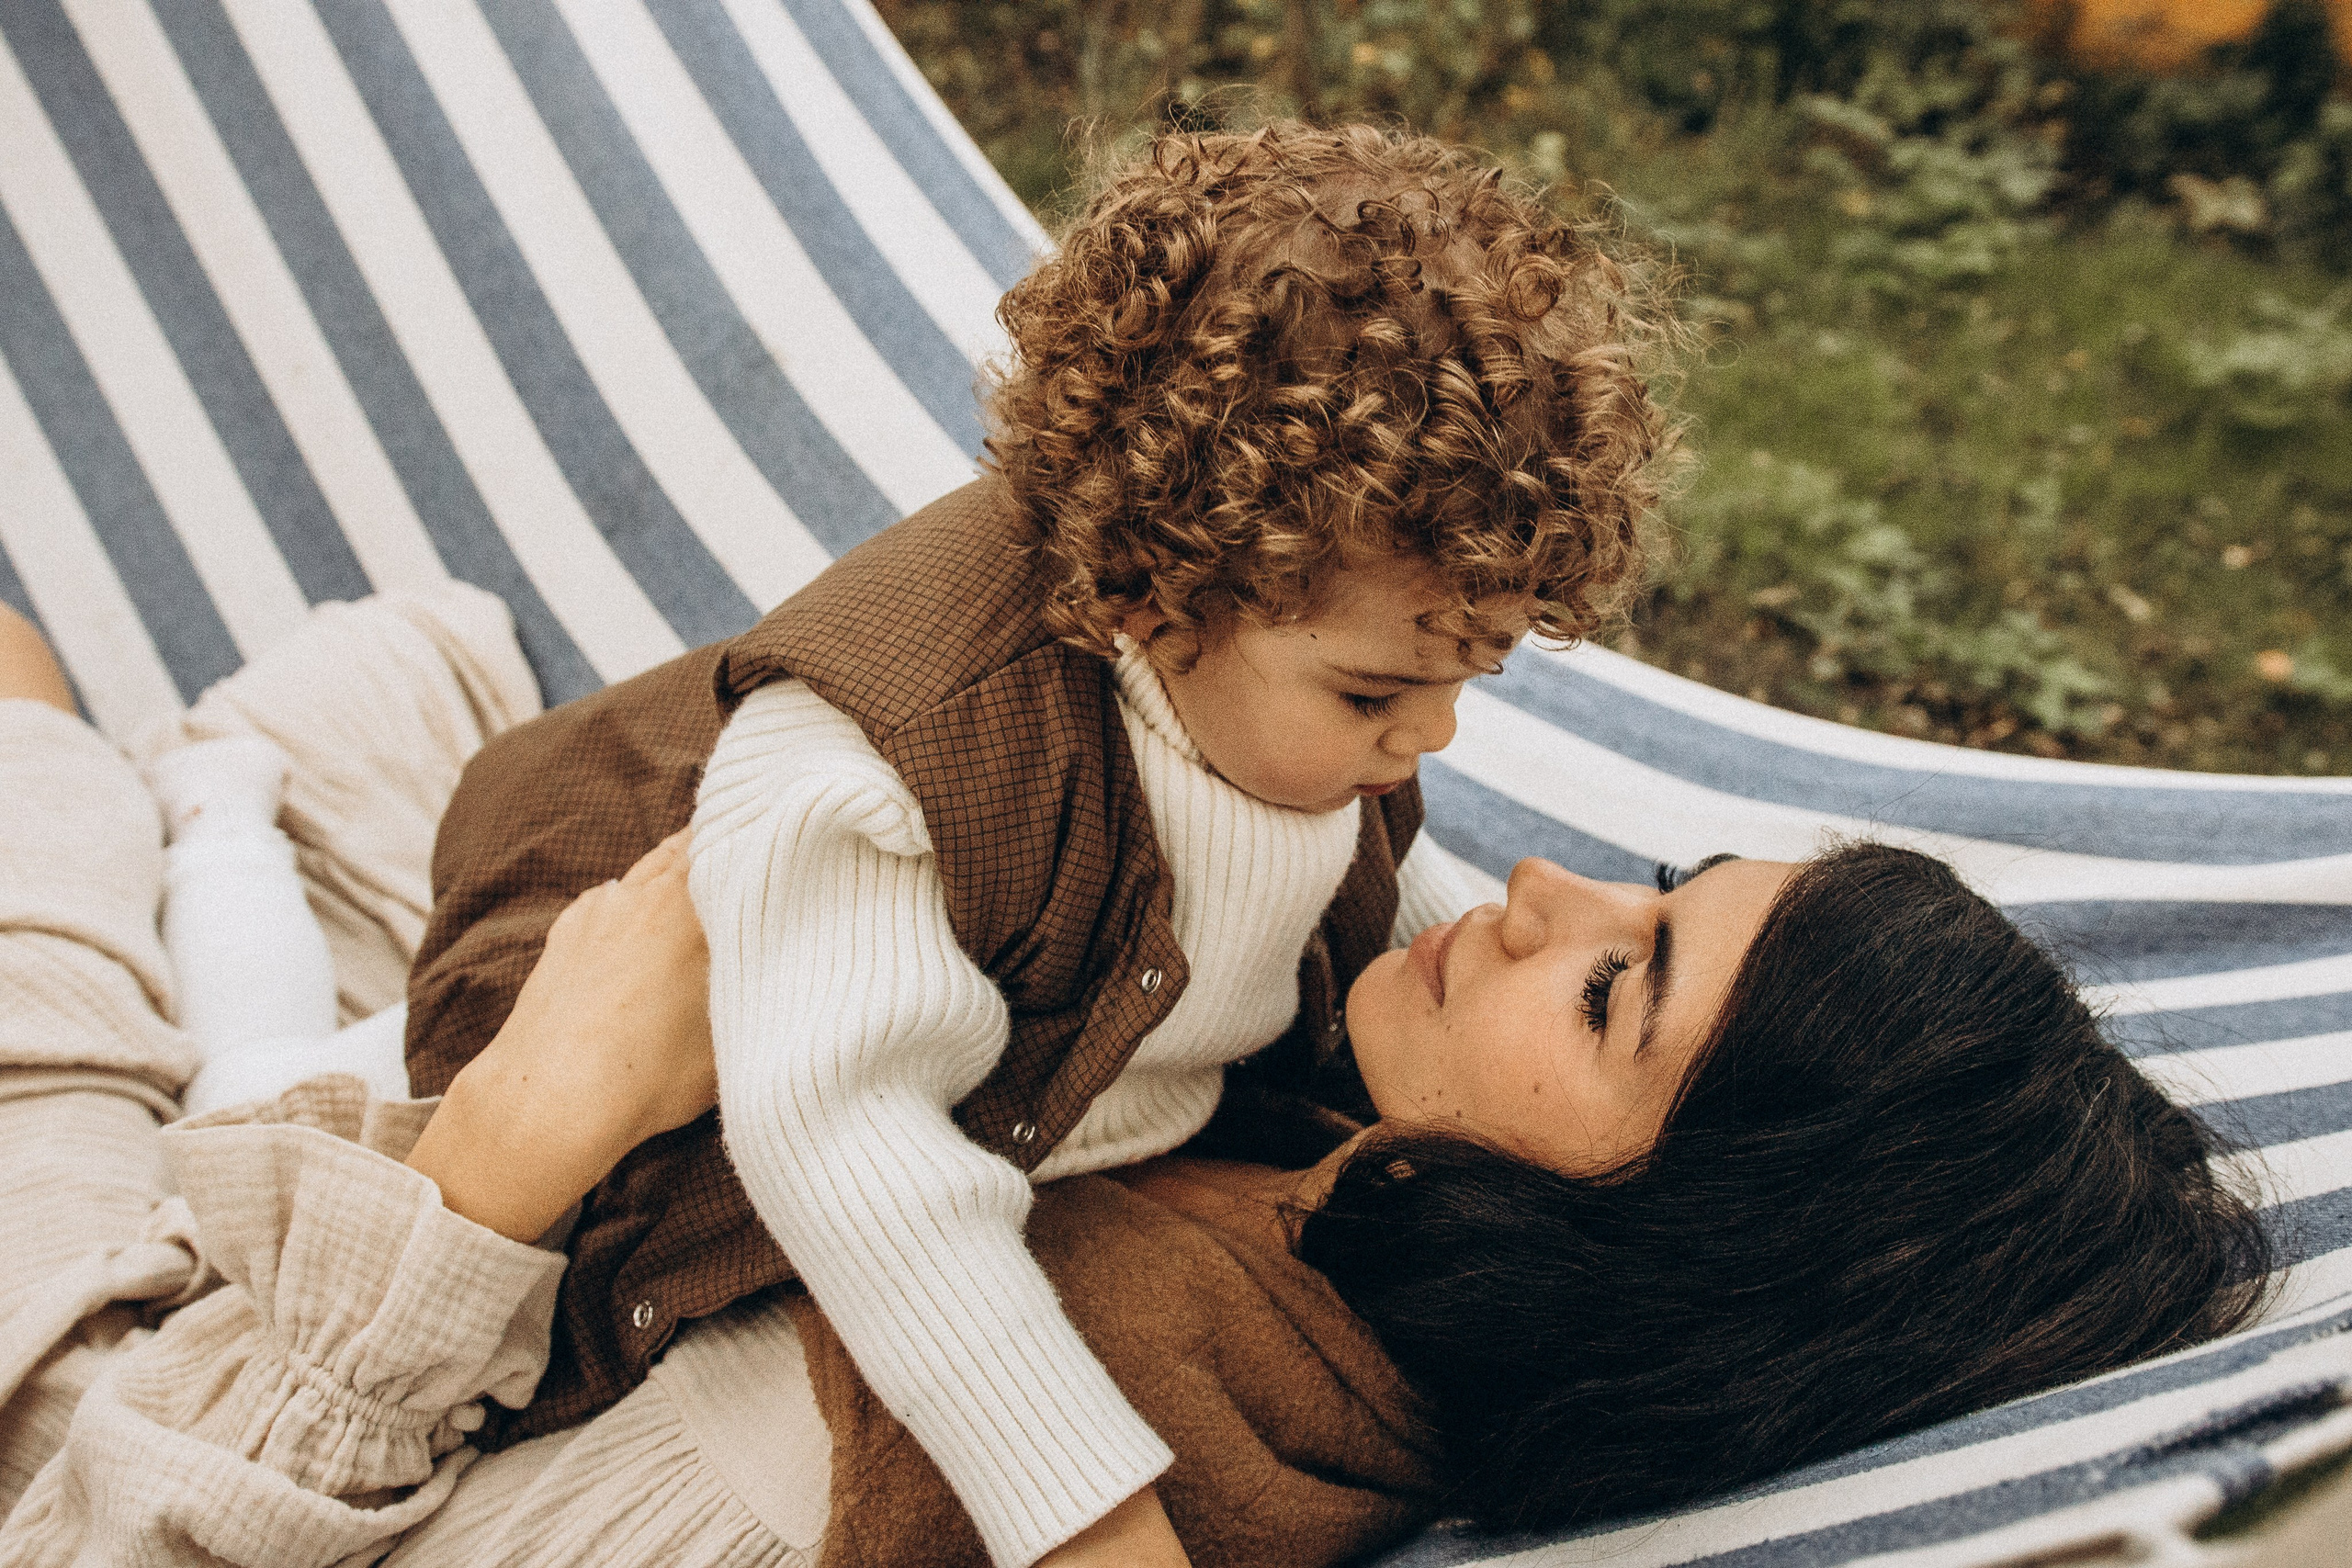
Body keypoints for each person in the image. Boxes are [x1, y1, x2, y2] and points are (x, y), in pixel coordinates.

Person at [0, 601, 2265, 1564]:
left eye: (1614, 993)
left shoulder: (976, 1448)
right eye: (1649, 884)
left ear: (1657, 1246)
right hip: (405, 1166)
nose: (1542, 881)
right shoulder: (1331, 1189)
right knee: (406, 661)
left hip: (133, 1379)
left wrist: (524, 1136)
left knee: (30, 731)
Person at [400, 118, 1676, 1567]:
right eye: (1382, 693)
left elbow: (1363, 909)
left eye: (1465, 683)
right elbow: (852, 1153)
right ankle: (226, 848)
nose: (1432, 737)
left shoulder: (1299, 696)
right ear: (1149, 590)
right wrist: (1081, 1513)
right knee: (272, 1106)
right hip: (608, 1067)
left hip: (997, 1078)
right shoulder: (898, 770)